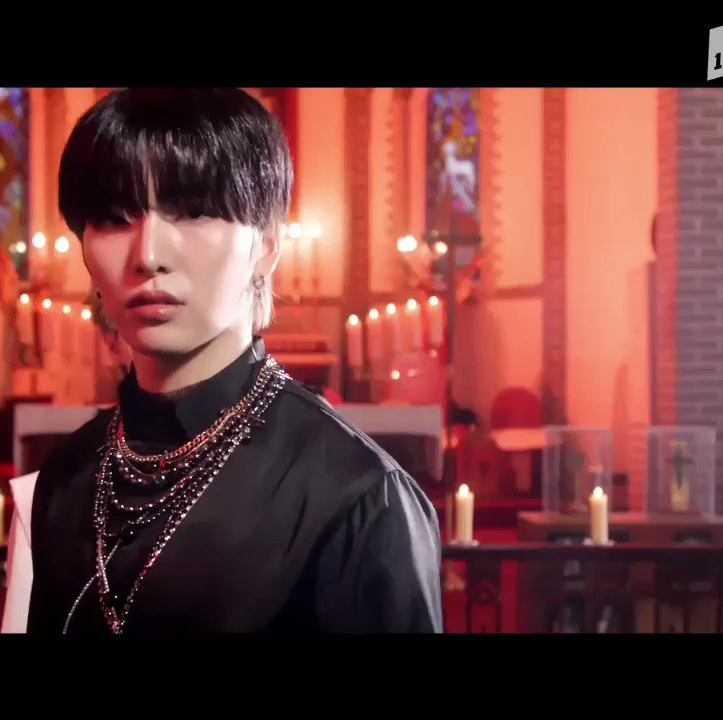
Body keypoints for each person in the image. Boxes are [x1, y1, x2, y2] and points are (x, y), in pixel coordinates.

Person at [22, 88, 443, 634]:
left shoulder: (357, 495)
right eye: (114, 218)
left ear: (266, 245)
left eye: (192, 213)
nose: (148, 256)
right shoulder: (68, 474)